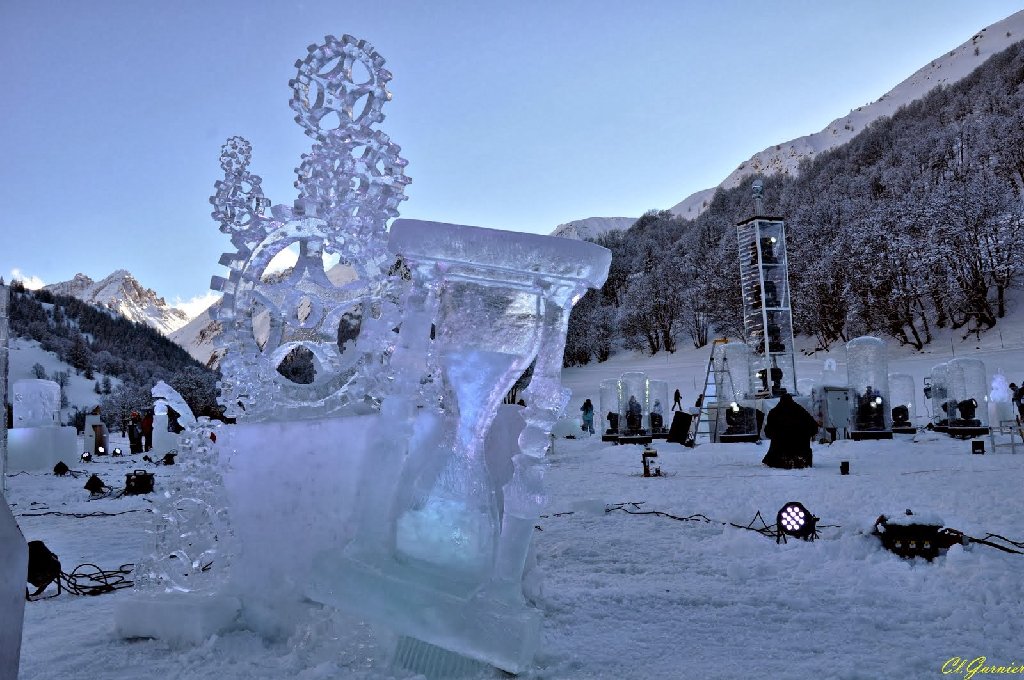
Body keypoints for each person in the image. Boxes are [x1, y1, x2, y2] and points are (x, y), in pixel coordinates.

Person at [761, 392, 818, 470]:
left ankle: (785, 460)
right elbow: (813, 426)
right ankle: (799, 460)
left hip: (780, 449)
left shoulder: (774, 412)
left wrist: (777, 435)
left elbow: (768, 431)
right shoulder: (800, 411)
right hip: (800, 446)